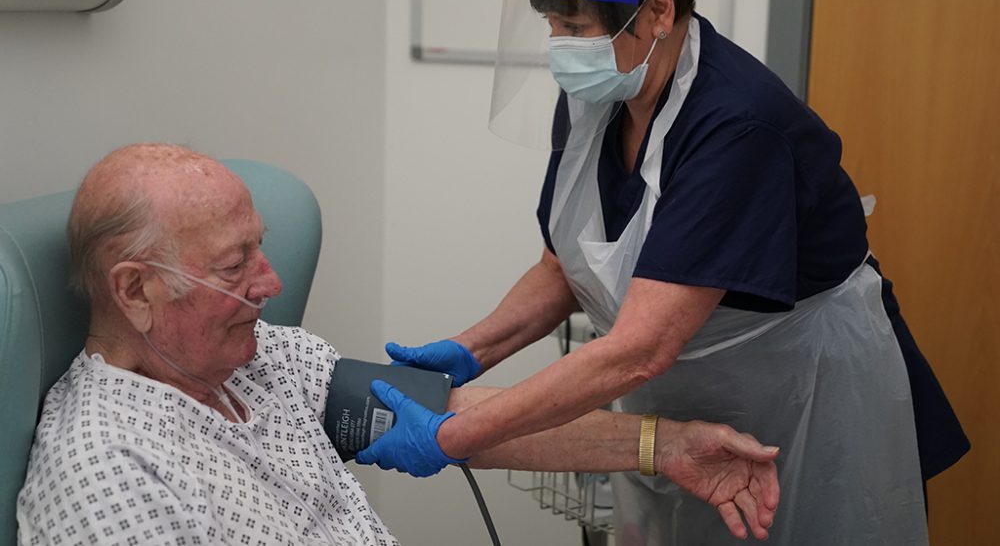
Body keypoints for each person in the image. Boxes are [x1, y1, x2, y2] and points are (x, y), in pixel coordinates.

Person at [356, 0, 970, 544]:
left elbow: (639, 349)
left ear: (655, 13)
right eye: (552, 25)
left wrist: (458, 433)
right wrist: (470, 351)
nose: (560, 47)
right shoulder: (601, 95)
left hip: (809, 398)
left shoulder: (737, 130)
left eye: (577, 27)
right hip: (691, 394)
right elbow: (567, 265)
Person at [16, 143, 782, 545]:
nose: (272, 282)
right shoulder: (106, 473)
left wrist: (666, 444)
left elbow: (459, 416)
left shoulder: (258, 362)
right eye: (234, 265)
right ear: (135, 291)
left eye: (261, 248)